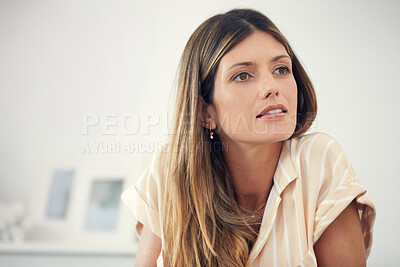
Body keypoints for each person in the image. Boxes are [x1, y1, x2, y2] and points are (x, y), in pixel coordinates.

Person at [121, 8, 375, 267]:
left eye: (281, 69)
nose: (271, 87)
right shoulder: (170, 171)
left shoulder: (320, 161)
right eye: (242, 75)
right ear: (205, 112)